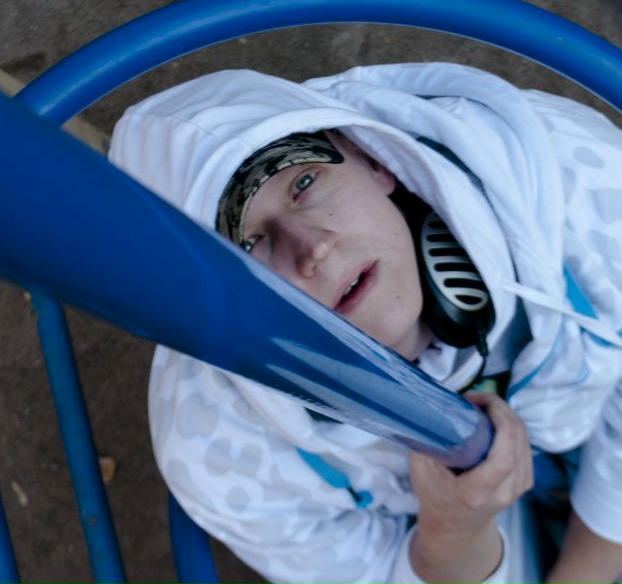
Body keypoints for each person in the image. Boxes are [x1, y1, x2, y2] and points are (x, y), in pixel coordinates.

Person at [109, 62, 622, 583]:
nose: (313, 248)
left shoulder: (581, 184)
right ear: (219, 306)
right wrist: (452, 534)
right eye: (248, 247)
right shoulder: (217, 454)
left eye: (304, 182)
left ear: (370, 157)